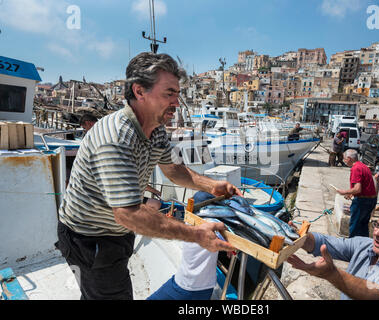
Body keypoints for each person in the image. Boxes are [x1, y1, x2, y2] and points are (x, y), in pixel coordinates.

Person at [55, 52, 240, 300]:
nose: (177, 101)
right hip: (89, 238)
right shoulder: (116, 138)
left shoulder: (156, 129)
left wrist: (212, 185)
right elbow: (128, 214)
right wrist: (196, 235)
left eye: (177, 93)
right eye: (169, 93)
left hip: (116, 233)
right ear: (139, 91)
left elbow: (173, 169)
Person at [337, 149, 377, 238]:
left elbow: (357, 189)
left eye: (344, 159)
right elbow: (363, 186)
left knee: (355, 226)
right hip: (371, 200)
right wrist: (351, 194)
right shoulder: (363, 166)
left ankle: (352, 246)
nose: (344, 161)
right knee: (363, 226)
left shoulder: (356, 168)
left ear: (349, 158)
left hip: (363, 201)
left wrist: (344, 192)